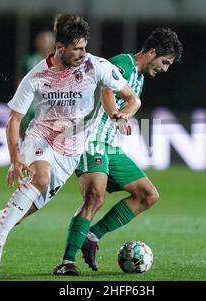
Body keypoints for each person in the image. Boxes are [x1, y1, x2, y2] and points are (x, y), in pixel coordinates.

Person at [0, 14, 141, 274]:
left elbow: (132, 99)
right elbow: (13, 120)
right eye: (77, 48)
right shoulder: (37, 74)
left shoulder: (96, 66)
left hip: (70, 152)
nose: (83, 53)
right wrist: (15, 159)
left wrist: (123, 114)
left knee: (16, 214)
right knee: (40, 178)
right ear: (60, 48)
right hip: (41, 137)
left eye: (85, 47)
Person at [52, 27, 183, 275]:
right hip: (90, 140)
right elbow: (105, 88)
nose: (165, 69)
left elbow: (125, 104)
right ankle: (67, 263)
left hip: (110, 146)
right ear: (152, 52)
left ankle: (92, 234)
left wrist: (122, 117)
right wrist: (115, 115)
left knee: (147, 195)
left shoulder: (140, 77)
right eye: (164, 62)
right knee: (95, 197)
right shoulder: (124, 63)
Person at [19, 31, 55, 140]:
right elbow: (21, 81)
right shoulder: (29, 60)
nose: (43, 43)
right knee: (26, 133)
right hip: (32, 104)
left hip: (52, 105)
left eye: (45, 41)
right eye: (41, 40)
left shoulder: (59, 60)